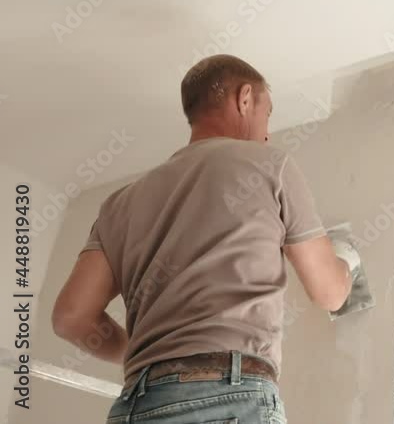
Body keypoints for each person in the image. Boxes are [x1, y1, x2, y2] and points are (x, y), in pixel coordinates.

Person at [51, 54, 357, 423]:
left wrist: (145, 351)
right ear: (245, 98)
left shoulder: (120, 203)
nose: (266, 133)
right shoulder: (270, 164)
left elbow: (71, 318)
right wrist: (347, 260)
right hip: (227, 395)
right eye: (268, 114)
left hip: (138, 403)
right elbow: (330, 293)